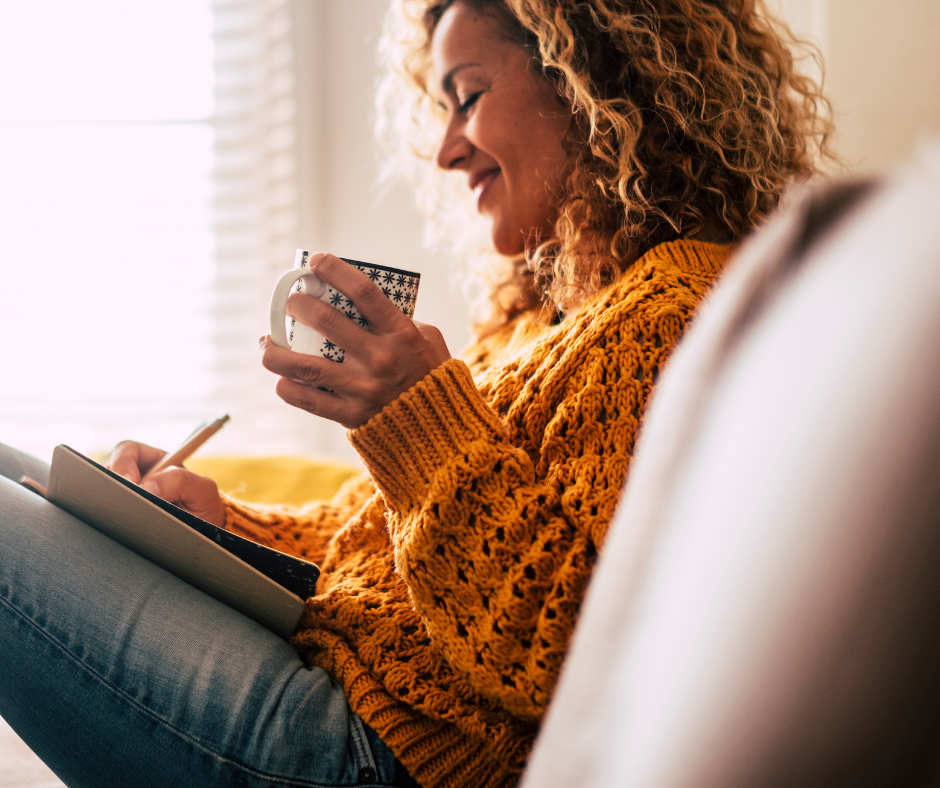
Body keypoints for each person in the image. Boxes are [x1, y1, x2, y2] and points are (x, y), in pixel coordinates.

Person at [0, 1, 831, 786]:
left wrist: (416, 419)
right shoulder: (549, 317)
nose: (446, 148)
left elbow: (581, 663)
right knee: (26, 479)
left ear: (593, 80)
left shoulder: (673, 315)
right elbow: (387, 555)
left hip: (376, 752)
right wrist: (222, 530)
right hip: (348, 687)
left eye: (468, 96)